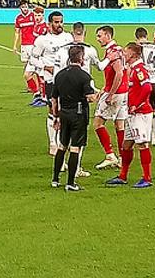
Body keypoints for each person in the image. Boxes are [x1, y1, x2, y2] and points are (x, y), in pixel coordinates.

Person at [53, 21, 112, 177]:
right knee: (78, 134)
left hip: (63, 92)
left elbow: (55, 74)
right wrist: (109, 58)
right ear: (84, 33)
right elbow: (100, 67)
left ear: (72, 33)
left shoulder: (61, 50)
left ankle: (60, 166)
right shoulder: (90, 50)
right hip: (82, 96)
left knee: (63, 132)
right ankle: (77, 168)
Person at [51, 45, 98, 191]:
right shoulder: (84, 76)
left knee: (62, 145)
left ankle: (55, 179)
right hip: (78, 114)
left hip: (64, 113)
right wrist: (99, 94)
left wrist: (56, 116)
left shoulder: (59, 75)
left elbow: (54, 99)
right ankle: (70, 183)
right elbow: (90, 98)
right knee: (75, 148)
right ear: (81, 58)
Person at [106, 43, 154, 188]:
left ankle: (147, 178)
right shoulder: (132, 68)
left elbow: (147, 87)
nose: (123, 55)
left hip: (140, 114)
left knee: (142, 144)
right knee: (126, 145)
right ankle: (123, 176)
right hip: (132, 114)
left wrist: (136, 104)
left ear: (133, 54)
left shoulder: (139, 69)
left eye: (126, 52)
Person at [30, 11, 73, 155]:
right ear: (49, 24)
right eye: (56, 22)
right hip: (51, 80)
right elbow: (33, 58)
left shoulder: (68, 37)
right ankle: (52, 143)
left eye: (61, 21)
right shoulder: (42, 40)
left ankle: (62, 141)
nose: (59, 24)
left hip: (67, 79)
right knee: (52, 110)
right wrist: (45, 67)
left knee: (65, 110)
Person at [94, 26, 129, 170]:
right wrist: (105, 87)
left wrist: (110, 93)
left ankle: (110, 155)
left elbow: (119, 73)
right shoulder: (119, 49)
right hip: (123, 92)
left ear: (108, 36)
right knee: (119, 125)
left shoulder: (113, 52)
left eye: (100, 36)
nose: (98, 39)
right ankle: (122, 158)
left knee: (98, 123)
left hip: (115, 93)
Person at [135, 27, 155, 146]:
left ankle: (144, 135)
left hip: (143, 82)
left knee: (142, 109)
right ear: (146, 35)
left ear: (137, 37)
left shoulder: (138, 48)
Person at [24, 6, 49, 107]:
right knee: (27, 75)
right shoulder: (36, 26)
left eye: (39, 15)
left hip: (41, 56)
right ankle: (37, 94)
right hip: (34, 55)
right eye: (35, 15)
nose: (37, 17)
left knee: (41, 77)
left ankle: (43, 98)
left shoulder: (45, 28)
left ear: (43, 15)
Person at [13, 0, 37, 94]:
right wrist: (15, 45)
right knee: (26, 64)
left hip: (33, 44)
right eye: (23, 7)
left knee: (34, 65)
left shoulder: (33, 16)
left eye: (26, 6)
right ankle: (30, 86)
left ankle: (37, 86)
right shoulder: (18, 19)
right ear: (20, 8)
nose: (25, 8)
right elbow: (17, 32)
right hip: (24, 44)